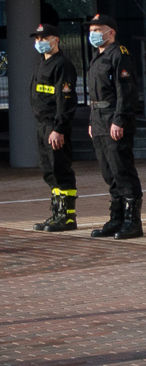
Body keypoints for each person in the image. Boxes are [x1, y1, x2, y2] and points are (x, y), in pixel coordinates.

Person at [84, 13, 144, 239]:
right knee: (109, 172)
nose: (93, 34)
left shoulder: (120, 55)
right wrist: (91, 120)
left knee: (122, 169)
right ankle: (117, 218)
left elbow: (126, 91)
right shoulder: (97, 56)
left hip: (113, 118)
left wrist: (119, 120)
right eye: (91, 30)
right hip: (98, 119)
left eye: (98, 30)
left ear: (111, 32)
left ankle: (132, 221)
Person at [28, 23, 79, 232]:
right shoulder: (42, 63)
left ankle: (67, 218)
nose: (40, 42)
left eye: (44, 38)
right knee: (49, 172)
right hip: (43, 125)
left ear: (55, 40)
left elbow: (65, 100)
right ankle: (57, 213)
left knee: (61, 170)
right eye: (37, 39)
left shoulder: (62, 65)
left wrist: (59, 128)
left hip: (54, 126)